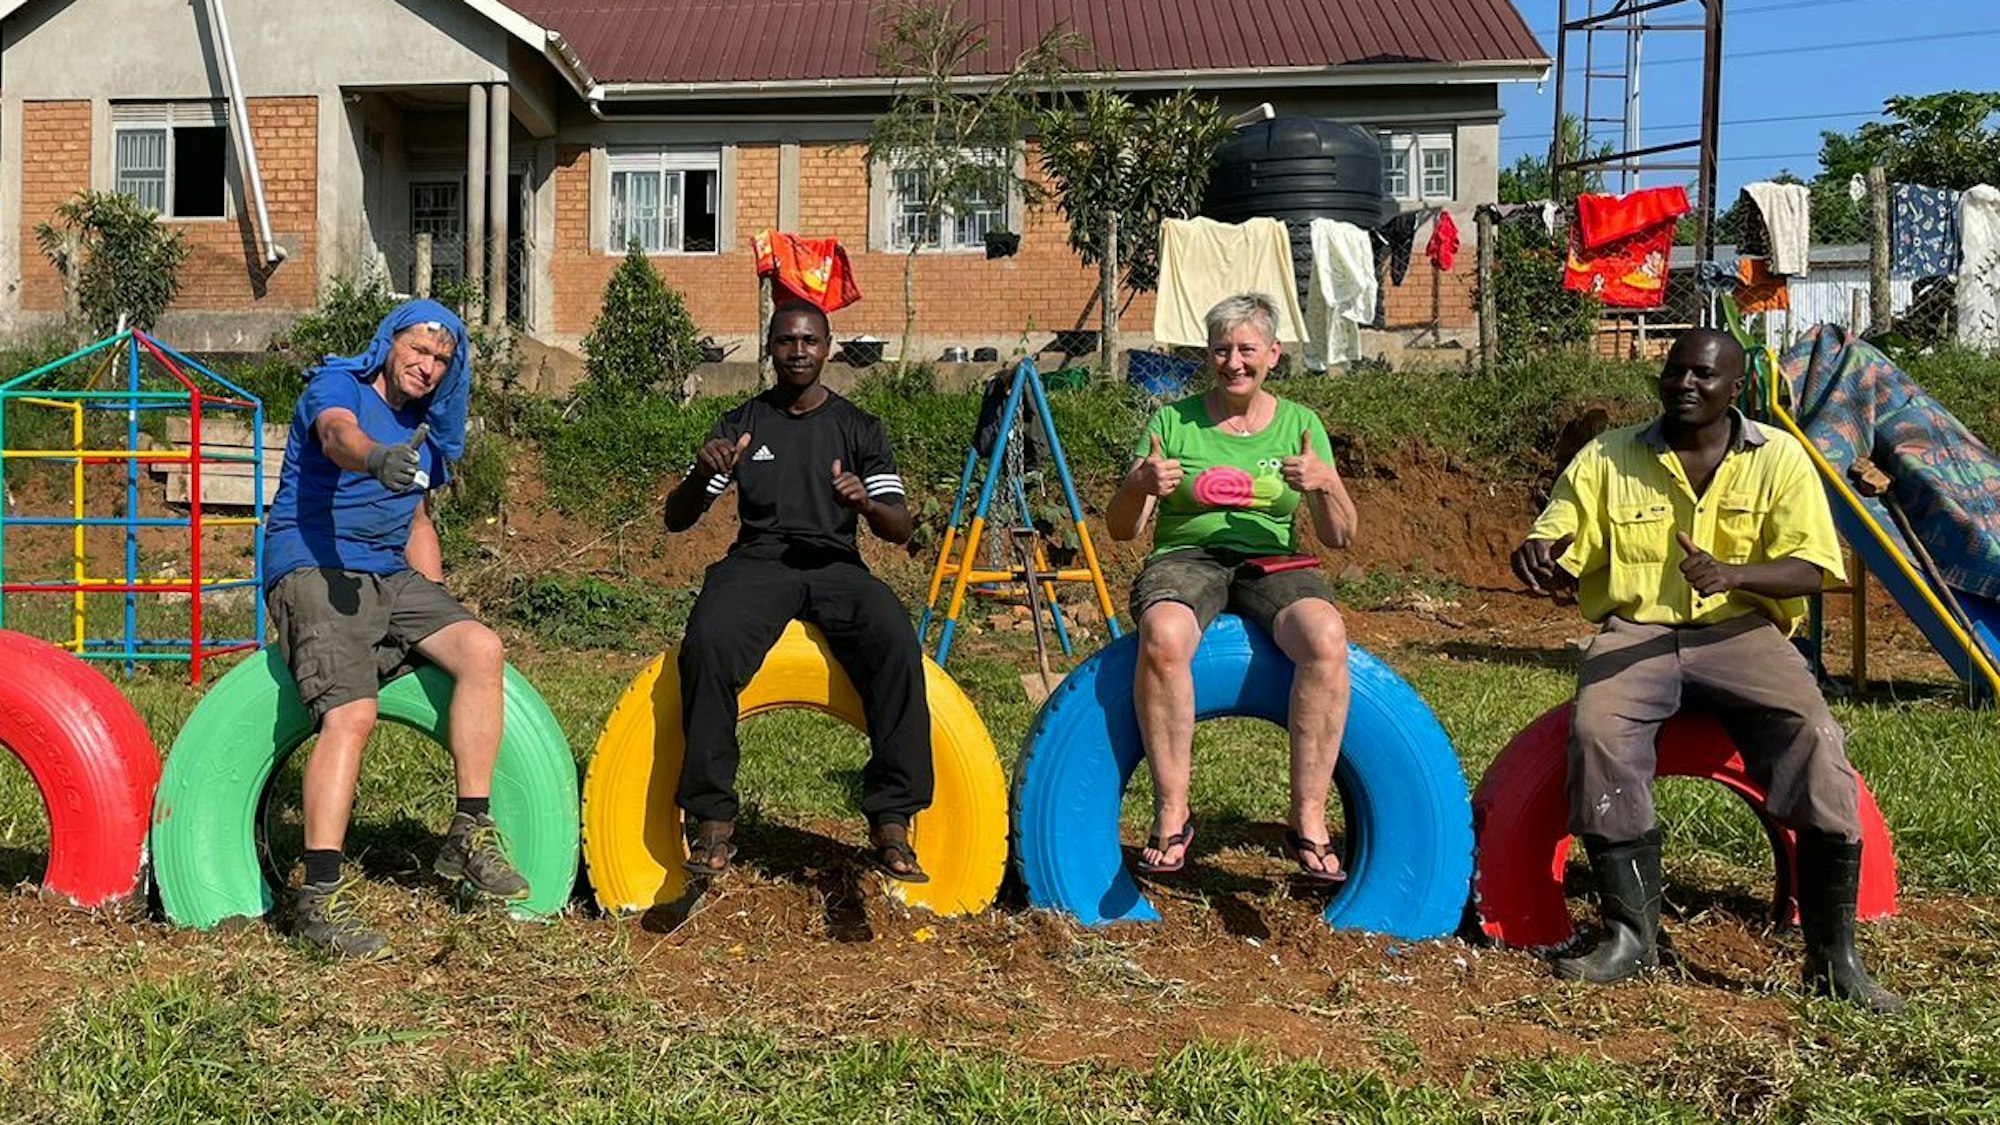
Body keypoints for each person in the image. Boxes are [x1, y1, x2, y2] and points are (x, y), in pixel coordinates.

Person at [1511, 327, 1902, 1013]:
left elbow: (1814, 568)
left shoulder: (1779, 458)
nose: (1686, 383)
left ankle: (1833, 956)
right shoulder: (1608, 456)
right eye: (1675, 371)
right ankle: (1632, 936)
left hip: (1742, 631)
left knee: (1813, 735)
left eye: (1704, 374)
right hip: (1637, 632)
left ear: (1736, 387)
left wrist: (1735, 574)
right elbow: (1560, 532)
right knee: (1599, 731)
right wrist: (1541, 553)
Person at [263, 299, 524, 958]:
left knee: (481, 647)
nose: (428, 366)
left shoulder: (423, 429)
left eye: (441, 359)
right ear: (389, 343)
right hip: (315, 565)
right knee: (352, 713)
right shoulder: (338, 386)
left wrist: (435, 605)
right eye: (419, 350)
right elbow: (336, 437)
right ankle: (319, 899)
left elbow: (417, 521)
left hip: (389, 572)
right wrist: (376, 458)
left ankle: (468, 832)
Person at [663, 299, 933, 882]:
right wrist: (701, 472)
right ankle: (712, 819)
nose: (798, 351)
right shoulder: (742, 423)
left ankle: (892, 819)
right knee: (708, 642)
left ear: (828, 348)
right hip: (758, 563)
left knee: (896, 639)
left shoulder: (859, 428)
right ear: (770, 348)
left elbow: (900, 528)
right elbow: (677, 519)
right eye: (786, 340)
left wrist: (866, 503)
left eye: (809, 340)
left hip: (836, 565)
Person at [1105, 293, 1359, 880]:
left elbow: (1341, 535)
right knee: (1164, 632)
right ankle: (1173, 810)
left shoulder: (1301, 425)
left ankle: (1308, 816)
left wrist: (1325, 482)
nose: (1234, 362)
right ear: (1208, 355)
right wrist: (1139, 484)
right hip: (1187, 558)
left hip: (1274, 561)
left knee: (1325, 635)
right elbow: (1122, 530)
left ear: (1273, 353)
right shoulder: (1172, 422)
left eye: (1247, 349)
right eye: (1221, 350)